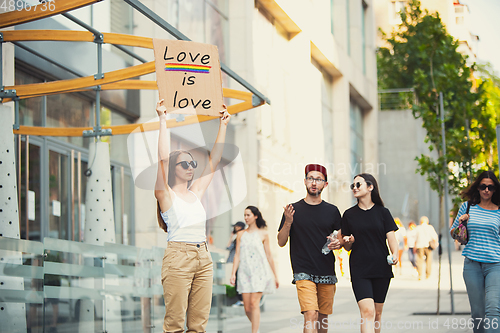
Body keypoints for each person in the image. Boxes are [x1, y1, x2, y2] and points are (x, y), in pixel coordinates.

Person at [155, 99, 231, 333]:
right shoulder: (165, 195)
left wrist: (224, 125)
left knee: (198, 326)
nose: (190, 167)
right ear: (173, 169)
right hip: (178, 257)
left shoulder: (195, 192)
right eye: (184, 163)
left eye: (192, 163)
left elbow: (214, 160)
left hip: (203, 257)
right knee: (175, 325)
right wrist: (162, 119)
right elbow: (163, 159)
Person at [277, 164, 342, 333]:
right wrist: (288, 222)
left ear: (325, 184)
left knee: (322, 319)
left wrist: (338, 243)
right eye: (311, 178)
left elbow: (341, 239)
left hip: (326, 271)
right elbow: (281, 241)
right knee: (311, 314)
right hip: (303, 271)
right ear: (305, 181)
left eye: (318, 179)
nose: (314, 182)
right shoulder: (293, 209)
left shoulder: (333, 211)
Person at [341, 173, 398, 333]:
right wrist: (349, 242)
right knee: (367, 311)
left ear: (370, 187)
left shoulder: (383, 212)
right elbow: (347, 247)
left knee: (377, 314)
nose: (354, 188)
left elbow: (391, 238)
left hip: (381, 268)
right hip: (359, 269)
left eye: (358, 184)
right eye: (353, 185)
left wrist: (395, 254)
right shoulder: (348, 215)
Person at [450, 170, 500, 333]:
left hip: (495, 265)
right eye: (483, 186)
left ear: (495, 190)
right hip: (472, 266)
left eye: (490, 187)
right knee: (478, 314)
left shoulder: (499, 210)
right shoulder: (468, 207)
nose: (486, 190)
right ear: (477, 187)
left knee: (493, 310)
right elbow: (454, 234)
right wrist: (461, 223)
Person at [230, 206, 279, 333]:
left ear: (255, 216)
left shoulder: (263, 234)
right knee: (247, 308)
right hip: (244, 273)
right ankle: (256, 327)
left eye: (248, 215)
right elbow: (237, 255)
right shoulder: (240, 234)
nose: (246, 218)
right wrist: (233, 273)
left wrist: (275, 275)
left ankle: (254, 331)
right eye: (244, 215)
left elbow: (269, 255)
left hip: (259, 272)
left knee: (254, 304)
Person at [227, 221, 246, 306]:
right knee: (237, 280)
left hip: (242, 262)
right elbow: (228, 247)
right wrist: (231, 236)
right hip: (237, 262)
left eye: (236, 226)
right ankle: (241, 300)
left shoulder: (243, 236)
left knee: (240, 280)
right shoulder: (236, 237)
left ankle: (242, 300)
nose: (235, 228)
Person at [414, 216, 438, 280]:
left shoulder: (418, 228)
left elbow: (415, 238)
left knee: (419, 260)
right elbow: (435, 237)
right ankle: (428, 274)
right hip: (428, 246)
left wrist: (414, 247)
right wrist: (435, 244)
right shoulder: (430, 227)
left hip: (419, 246)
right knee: (428, 260)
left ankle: (420, 275)